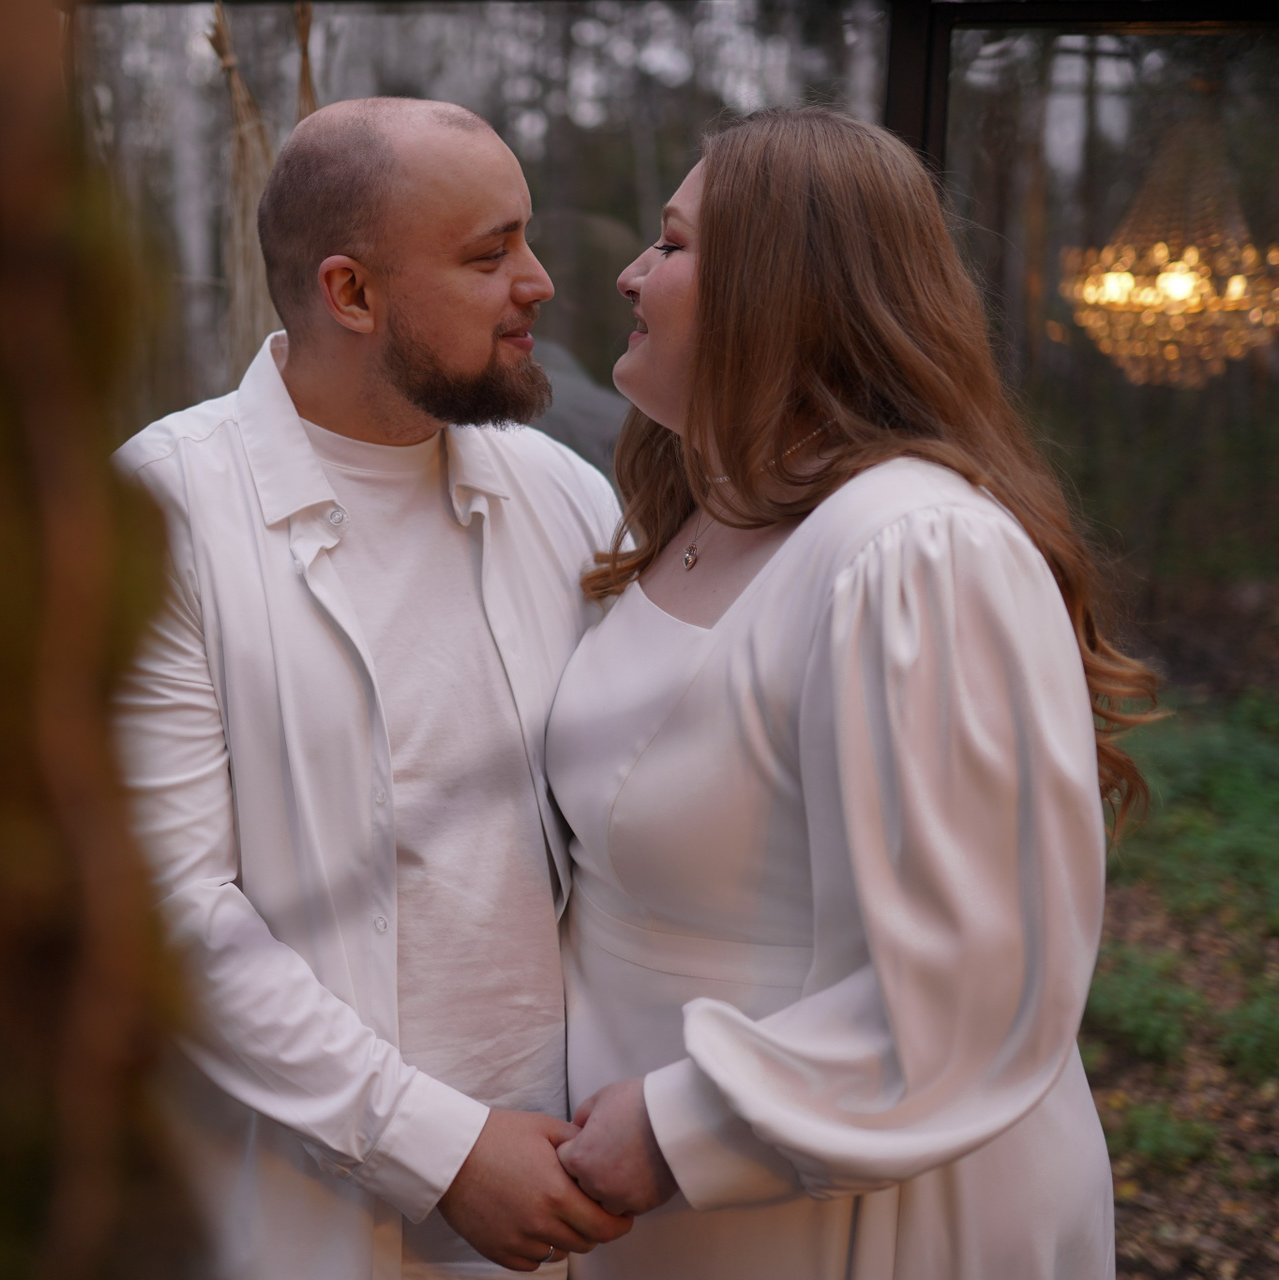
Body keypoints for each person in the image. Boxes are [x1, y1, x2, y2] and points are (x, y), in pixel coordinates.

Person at [544, 106, 1158, 1277]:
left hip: (859, 1213)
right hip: (666, 1217)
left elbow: (974, 980)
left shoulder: (917, 549)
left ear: (781, 290)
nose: (630, 273)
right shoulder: (703, 518)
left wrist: (682, 1128)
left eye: (673, 244)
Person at [111, 98, 630, 1280]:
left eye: (526, 239)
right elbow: (171, 909)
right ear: (350, 293)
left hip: (565, 1191)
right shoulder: (165, 509)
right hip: (294, 1204)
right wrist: (442, 1149)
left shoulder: (565, 495)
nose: (540, 283)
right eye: (489, 255)